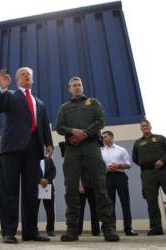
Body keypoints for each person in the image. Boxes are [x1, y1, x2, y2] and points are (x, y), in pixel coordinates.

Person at [0, 67, 53, 244]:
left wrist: (48, 143)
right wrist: (2, 88)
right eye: (22, 75)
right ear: (17, 80)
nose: (26, 76)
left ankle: (31, 232)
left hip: (34, 151)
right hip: (12, 149)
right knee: (9, 191)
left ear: (32, 81)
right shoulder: (10, 96)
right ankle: (9, 232)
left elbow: (43, 124)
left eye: (29, 75)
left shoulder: (40, 103)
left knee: (31, 193)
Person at [55, 76, 119, 242]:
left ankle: (109, 229)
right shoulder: (65, 107)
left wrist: (84, 133)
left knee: (100, 185)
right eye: (74, 85)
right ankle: (72, 230)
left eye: (79, 85)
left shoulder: (93, 103)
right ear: (69, 89)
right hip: (72, 149)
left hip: (91, 147)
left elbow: (100, 121)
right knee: (71, 188)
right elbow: (59, 128)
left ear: (82, 87)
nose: (77, 87)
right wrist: (73, 131)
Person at [132, 119, 166, 236]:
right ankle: (156, 227)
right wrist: (147, 164)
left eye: (147, 125)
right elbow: (135, 159)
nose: (145, 127)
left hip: (165, 170)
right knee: (151, 200)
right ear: (141, 128)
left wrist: (162, 160)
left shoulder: (161, 138)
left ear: (150, 126)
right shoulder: (137, 143)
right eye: (143, 126)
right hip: (148, 173)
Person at [101, 130, 138, 236]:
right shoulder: (101, 151)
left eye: (105, 136)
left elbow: (128, 164)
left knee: (125, 203)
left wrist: (118, 166)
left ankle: (128, 229)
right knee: (110, 204)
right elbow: (99, 168)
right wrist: (106, 169)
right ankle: (112, 229)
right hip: (108, 177)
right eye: (102, 137)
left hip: (120, 176)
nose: (103, 139)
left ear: (112, 137)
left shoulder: (121, 150)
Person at [78, 167, 100, 236]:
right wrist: (80, 185)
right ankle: (78, 230)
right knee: (80, 209)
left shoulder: (92, 160)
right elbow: (78, 173)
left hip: (92, 186)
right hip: (83, 186)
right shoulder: (81, 160)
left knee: (94, 209)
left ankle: (96, 231)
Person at [37, 156, 56, 236]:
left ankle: (50, 229)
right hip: (36, 186)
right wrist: (40, 179)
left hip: (48, 187)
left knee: (50, 209)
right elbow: (30, 171)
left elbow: (53, 171)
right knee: (34, 209)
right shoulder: (33, 159)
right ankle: (33, 229)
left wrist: (47, 180)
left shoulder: (49, 160)